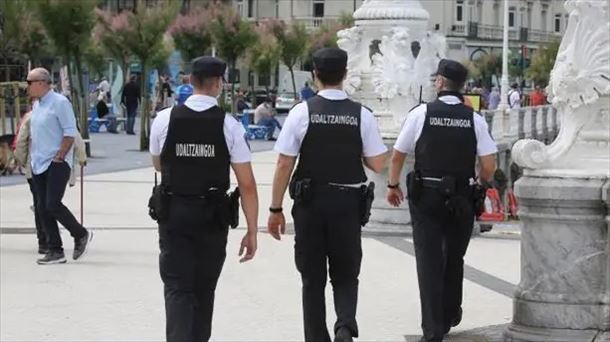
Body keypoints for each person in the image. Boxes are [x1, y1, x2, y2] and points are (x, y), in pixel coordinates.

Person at [267, 47, 388, 342]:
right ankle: (345, 324)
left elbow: (285, 163)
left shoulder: (301, 112)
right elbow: (377, 163)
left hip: (310, 205)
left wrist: (275, 209)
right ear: (345, 75)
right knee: (346, 272)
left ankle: (316, 337)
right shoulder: (362, 115)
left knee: (312, 278)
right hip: (347, 204)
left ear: (315, 75)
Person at [386, 59, 497, 342]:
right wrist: (480, 184)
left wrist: (392, 184)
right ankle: (450, 312)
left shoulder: (421, 113)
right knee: (455, 257)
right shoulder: (475, 119)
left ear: (439, 83)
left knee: (429, 260)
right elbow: (489, 165)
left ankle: (433, 330)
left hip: (427, 197)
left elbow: (398, 154)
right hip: (462, 196)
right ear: (462, 87)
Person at [149, 56, 259, 342]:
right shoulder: (231, 125)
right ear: (219, 84)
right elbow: (246, 183)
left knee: (176, 287)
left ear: (190, 82)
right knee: (204, 288)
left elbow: (159, 164)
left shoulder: (164, 119)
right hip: (212, 216)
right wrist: (251, 230)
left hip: (174, 213)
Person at [26, 68, 93, 265]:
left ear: (42, 83)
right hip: (38, 163)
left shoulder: (60, 103)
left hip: (56, 162)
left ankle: (80, 234)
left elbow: (69, 132)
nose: (27, 87)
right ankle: (55, 250)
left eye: (29, 82)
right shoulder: (37, 105)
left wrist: (60, 155)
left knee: (52, 204)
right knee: (42, 207)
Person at [14, 109, 88, 254]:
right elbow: (76, 137)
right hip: (53, 167)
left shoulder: (30, 117)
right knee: (47, 204)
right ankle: (53, 242)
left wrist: (22, 161)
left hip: (34, 167)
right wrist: (82, 156)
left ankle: (45, 241)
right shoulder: (59, 115)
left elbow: (21, 141)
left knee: (41, 204)